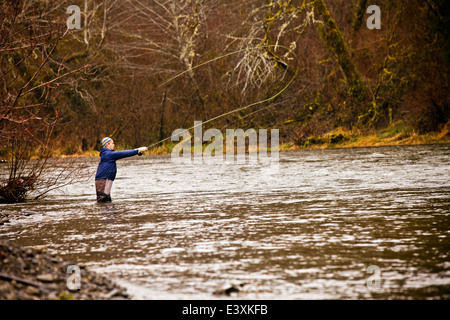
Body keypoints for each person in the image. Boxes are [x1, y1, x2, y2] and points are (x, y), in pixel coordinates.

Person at [95, 137, 148, 203]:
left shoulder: (108, 154)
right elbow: (123, 153)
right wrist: (137, 150)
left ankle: (108, 213)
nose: (114, 144)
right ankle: (105, 213)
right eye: (112, 143)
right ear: (107, 145)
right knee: (103, 200)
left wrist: (137, 152)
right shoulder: (108, 154)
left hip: (105, 180)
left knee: (107, 201)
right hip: (103, 181)